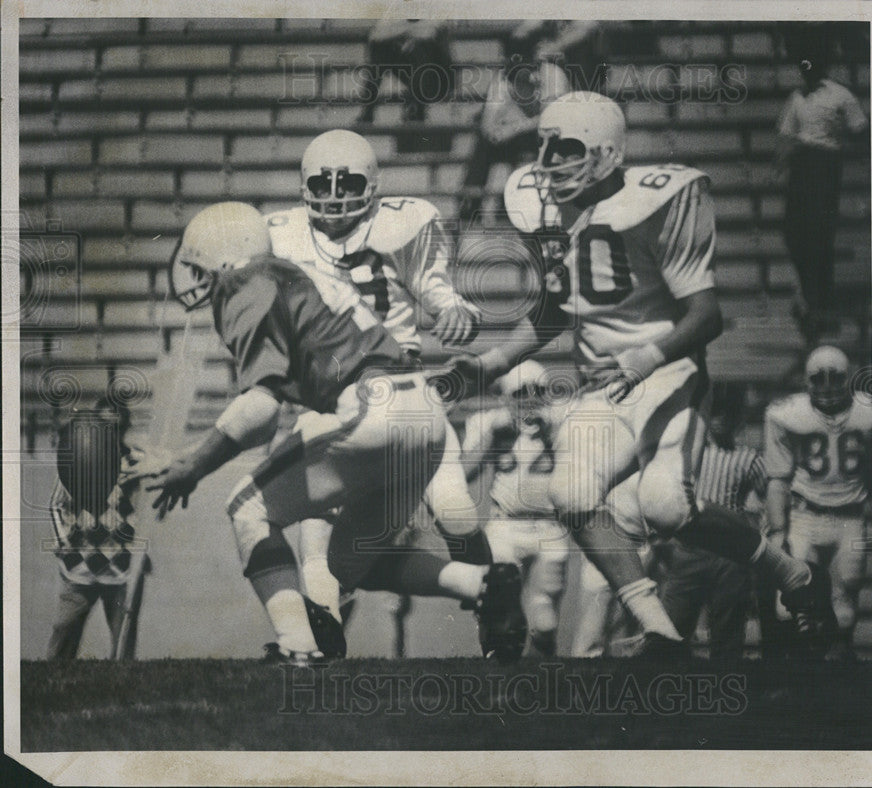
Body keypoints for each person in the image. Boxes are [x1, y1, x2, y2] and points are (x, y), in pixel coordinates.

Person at [442, 91, 828, 658]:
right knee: (571, 493)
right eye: (544, 147)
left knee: (668, 506)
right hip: (602, 385)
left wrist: (646, 357)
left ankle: (792, 576)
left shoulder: (659, 198)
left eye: (565, 149)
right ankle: (661, 631)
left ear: (606, 152)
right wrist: (489, 364)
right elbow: (556, 310)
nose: (548, 162)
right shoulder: (545, 205)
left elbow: (707, 315)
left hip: (666, 374)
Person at [141, 202, 526, 665]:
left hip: (371, 410)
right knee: (348, 565)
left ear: (221, 261)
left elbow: (261, 411)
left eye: (196, 264)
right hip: (424, 415)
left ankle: (296, 644)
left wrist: (193, 465)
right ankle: (482, 583)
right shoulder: (292, 275)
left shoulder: (244, 283)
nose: (194, 276)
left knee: (247, 508)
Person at [265, 130, 493, 646]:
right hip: (327, 395)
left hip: (401, 389)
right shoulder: (280, 234)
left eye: (347, 182)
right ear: (304, 186)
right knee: (319, 521)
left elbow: (439, 292)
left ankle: (490, 604)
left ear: (371, 185)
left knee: (455, 513)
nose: (335, 194)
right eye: (323, 182)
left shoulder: (404, 223)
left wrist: (459, 312)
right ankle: (322, 625)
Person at [572, 385, 767, 663]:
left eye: (729, 413)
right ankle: (661, 691)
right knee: (667, 631)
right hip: (687, 549)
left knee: (727, 634)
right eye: (716, 412)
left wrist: (755, 536)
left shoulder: (748, 458)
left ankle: (725, 694)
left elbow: (768, 501)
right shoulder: (686, 450)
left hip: (729, 553)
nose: (721, 419)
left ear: (739, 417)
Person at [765, 345, 872, 660]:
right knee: (791, 606)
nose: (827, 387)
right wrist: (777, 529)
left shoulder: (871, 413)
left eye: (835, 378)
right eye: (818, 379)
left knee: (844, 602)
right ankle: (798, 669)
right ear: (807, 381)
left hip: (849, 518)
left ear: (849, 378)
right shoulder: (786, 414)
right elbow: (777, 478)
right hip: (805, 517)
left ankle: (837, 670)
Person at [461, 360, 571, 656]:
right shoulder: (489, 422)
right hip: (504, 526)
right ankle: (496, 675)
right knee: (498, 610)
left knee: (544, 622)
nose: (530, 398)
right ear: (506, 396)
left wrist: (553, 431)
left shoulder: (561, 419)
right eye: (522, 392)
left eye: (537, 391)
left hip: (550, 527)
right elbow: (463, 475)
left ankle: (537, 689)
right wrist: (490, 439)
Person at [774, 36, 869, 342]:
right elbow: (787, 136)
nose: (806, 71)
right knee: (792, 232)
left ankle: (819, 305)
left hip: (826, 166)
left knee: (818, 237)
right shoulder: (797, 97)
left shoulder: (841, 96)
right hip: (802, 167)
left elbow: (861, 130)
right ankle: (810, 296)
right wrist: (782, 166)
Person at [46, 397, 151, 660]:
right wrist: (62, 546)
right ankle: (53, 686)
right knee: (63, 633)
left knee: (124, 639)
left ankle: (123, 692)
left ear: (125, 427)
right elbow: (56, 505)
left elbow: (149, 499)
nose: (112, 435)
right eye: (105, 427)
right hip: (79, 569)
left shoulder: (136, 461)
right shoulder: (77, 458)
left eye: (117, 428)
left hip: (120, 569)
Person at [457, 36, 571, 230]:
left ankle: (561, 206)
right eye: (515, 76)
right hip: (523, 133)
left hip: (554, 132)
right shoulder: (503, 81)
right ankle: (469, 205)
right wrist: (498, 132)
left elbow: (553, 119)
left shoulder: (553, 76)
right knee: (483, 145)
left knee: (552, 141)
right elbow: (488, 125)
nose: (521, 82)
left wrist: (514, 128)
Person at [356, 20, 453, 125]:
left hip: (437, 76)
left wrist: (402, 35)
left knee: (419, 48)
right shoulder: (395, 16)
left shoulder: (434, 18)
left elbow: (428, 33)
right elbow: (375, 36)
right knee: (380, 50)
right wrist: (407, 35)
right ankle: (369, 110)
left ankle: (416, 109)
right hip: (414, 70)